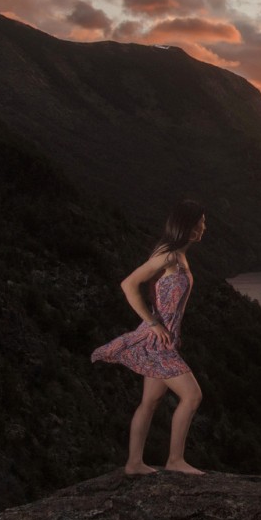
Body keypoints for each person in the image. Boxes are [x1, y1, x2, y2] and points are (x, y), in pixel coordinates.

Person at [91, 199, 207, 475]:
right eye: (200, 223)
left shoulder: (177, 254)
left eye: (203, 223)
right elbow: (128, 284)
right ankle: (175, 461)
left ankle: (133, 463)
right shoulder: (168, 257)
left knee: (150, 401)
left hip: (165, 339)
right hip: (158, 343)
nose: (203, 228)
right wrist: (153, 323)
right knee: (192, 397)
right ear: (187, 227)